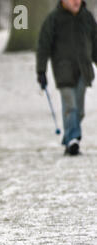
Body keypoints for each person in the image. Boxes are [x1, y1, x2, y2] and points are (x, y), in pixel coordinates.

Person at [37, 0, 96, 155]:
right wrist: (41, 71)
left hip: (84, 70)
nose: (76, 1)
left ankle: (69, 138)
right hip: (63, 70)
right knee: (71, 107)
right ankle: (73, 140)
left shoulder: (87, 17)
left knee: (80, 111)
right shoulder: (54, 19)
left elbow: (95, 43)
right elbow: (43, 45)